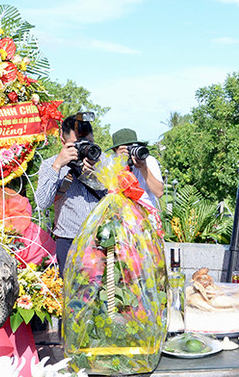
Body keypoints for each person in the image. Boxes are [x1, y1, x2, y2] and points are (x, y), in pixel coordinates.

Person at [36, 115, 105, 273]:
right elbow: (42, 203)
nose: (85, 148)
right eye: (78, 144)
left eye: (89, 143)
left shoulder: (103, 162)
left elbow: (116, 199)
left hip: (101, 240)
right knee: (71, 288)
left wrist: (96, 175)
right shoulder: (50, 164)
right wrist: (57, 166)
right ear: (63, 141)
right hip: (69, 241)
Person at [108, 128, 164, 208]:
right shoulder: (110, 162)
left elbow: (159, 193)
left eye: (132, 147)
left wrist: (144, 168)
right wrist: (120, 163)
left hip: (146, 212)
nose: (129, 151)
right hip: (121, 212)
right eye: (125, 148)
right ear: (114, 150)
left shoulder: (148, 160)